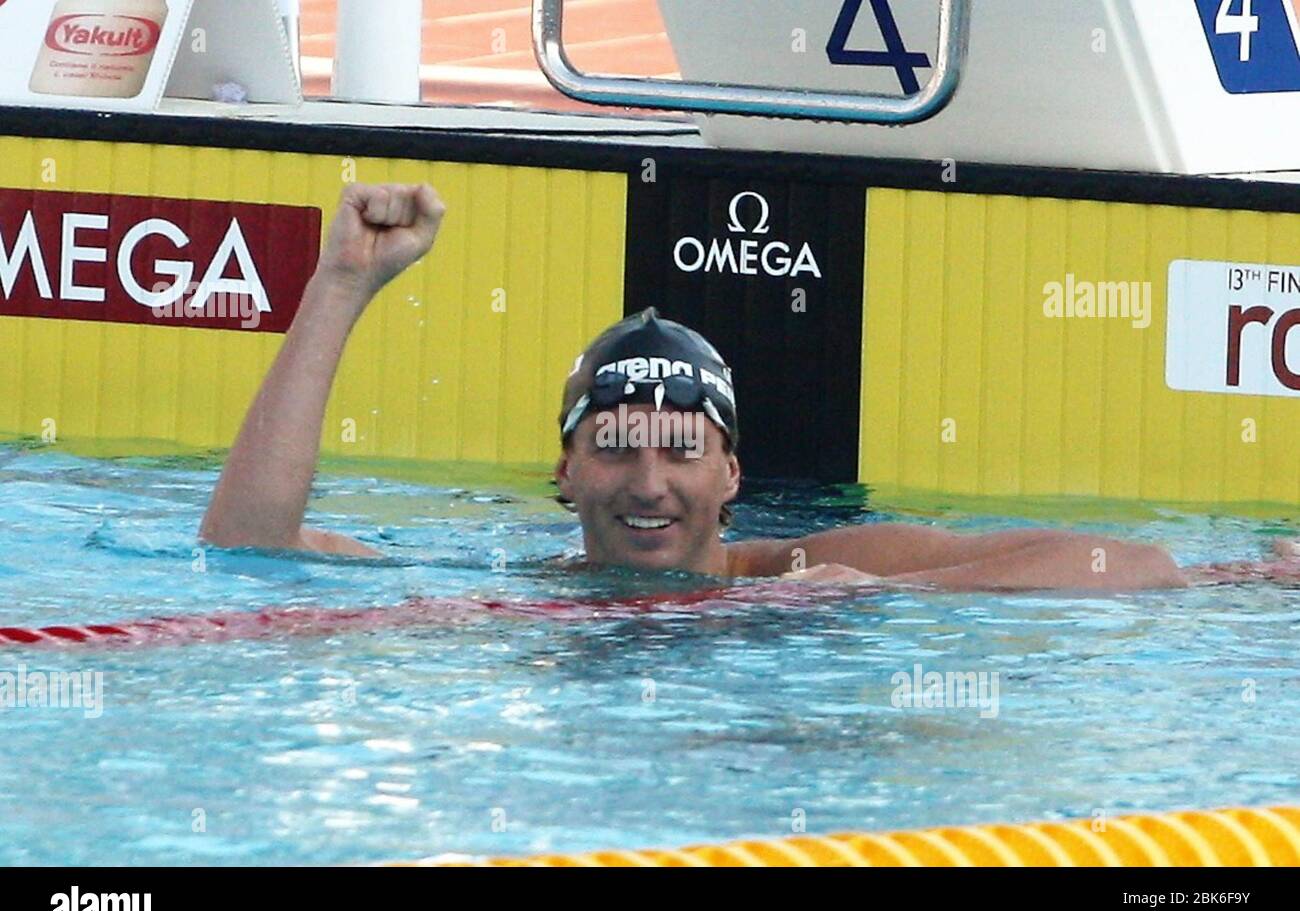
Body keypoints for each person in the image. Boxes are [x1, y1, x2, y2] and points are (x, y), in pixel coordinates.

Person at [199, 183, 1296, 591]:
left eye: (681, 448)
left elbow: (1132, 563)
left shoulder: (810, 566)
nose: (648, 478)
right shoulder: (509, 588)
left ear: (729, 472)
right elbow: (249, 546)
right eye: (620, 443)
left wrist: (859, 595)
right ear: (566, 468)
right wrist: (342, 283)